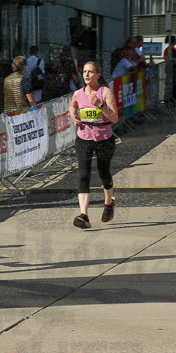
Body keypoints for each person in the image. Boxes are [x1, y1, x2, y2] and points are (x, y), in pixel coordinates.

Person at [68, 61, 119, 229]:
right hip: (83, 138)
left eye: (90, 72)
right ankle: (84, 215)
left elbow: (114, 118)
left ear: (98, 74)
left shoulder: (105, 92)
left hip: (104, 138)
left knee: (104, 172)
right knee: (84, 175)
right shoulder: (78, 93)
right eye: (84, 72)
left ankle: (108, 202)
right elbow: (72, 106)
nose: (87, 75)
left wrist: (99, 105)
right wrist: (73, 117)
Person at [163, 35, 176, 105]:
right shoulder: (170, 49)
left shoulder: (171, 49)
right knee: (173, 84)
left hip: (175, 68)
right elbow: (168, 59)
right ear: (173, 41)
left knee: (174, 84)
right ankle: (171, 99)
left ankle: (172, 98)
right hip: (173, 69)